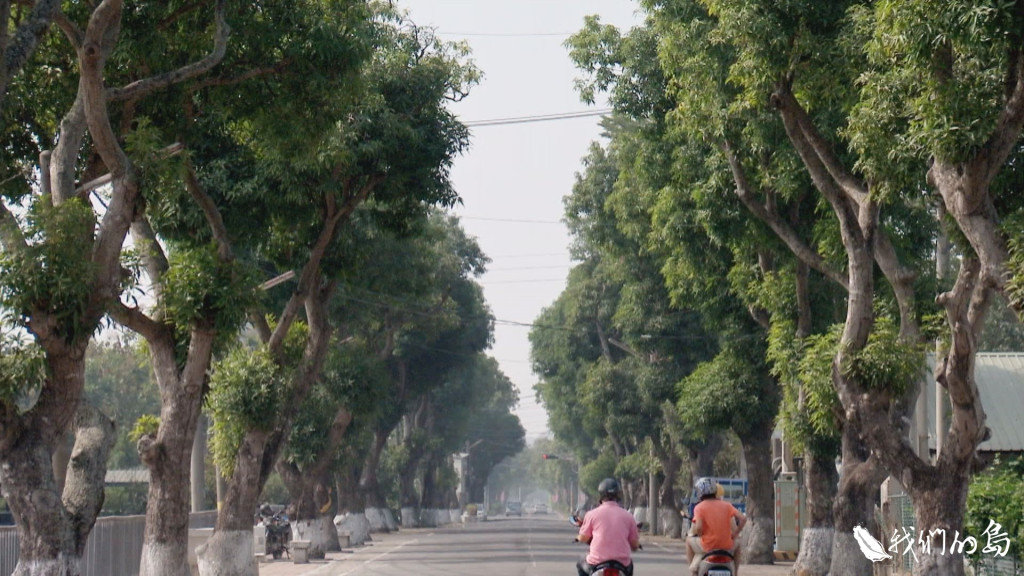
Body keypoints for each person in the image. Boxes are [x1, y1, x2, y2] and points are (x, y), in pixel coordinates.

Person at [576, 478, 641, 576]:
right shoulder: (628, 516)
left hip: (596, 562)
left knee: (580, 562)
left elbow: (584, 538)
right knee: (630, 565)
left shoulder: (592, 514)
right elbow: (634, 545)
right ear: (618, 495)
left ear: (601, 495)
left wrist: (579, 538)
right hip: (622, 564)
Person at [686, 477, 746, 576]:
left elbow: (699, 528)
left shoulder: (699, 507)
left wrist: (701, 535)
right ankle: (735, 572)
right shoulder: (727, 505)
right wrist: (735, 534)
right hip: (727, 546)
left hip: (708, 547)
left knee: (688, 541)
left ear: (700, 492)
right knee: (738, 543)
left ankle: (693, 569)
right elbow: (743, 519)